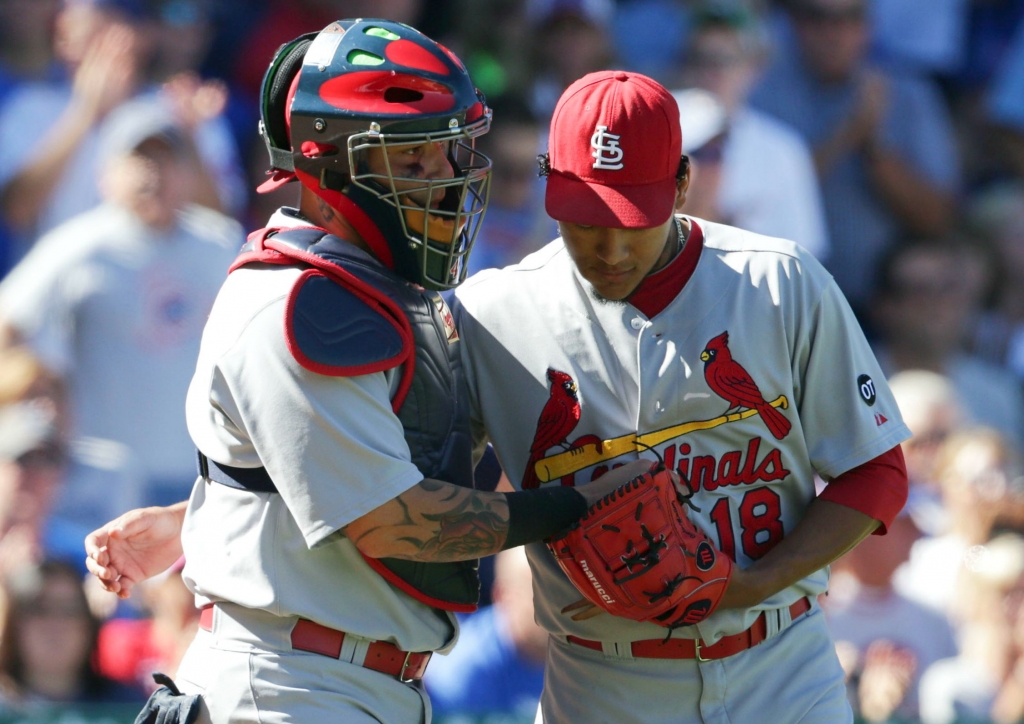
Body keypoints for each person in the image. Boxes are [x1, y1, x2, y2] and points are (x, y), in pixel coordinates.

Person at [88, 67, 911, 724]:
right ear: (548, 183)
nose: (609, 247)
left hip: (782, 665)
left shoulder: (780, 281)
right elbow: (389, 470)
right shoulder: (488, 311)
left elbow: (877, 474)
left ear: (685, 183)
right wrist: (198, 519)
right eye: (587, 218)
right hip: (604, 683)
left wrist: (755, 585)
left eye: (633, 218)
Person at [87, 19, 659, 723]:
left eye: (450, 155)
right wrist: (570, 510)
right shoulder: (295, 302)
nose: (446, 183)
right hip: (290, 689)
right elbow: (394, 523)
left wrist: (199, 518)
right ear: (328, 168)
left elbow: (337, 465)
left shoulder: (385, 293)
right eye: (413, 162)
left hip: (346, 683)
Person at [0, 97, 243, 517]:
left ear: (187, 173)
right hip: (103, 477)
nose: (153, 174)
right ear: (106, 173)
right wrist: (35, 395)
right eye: (139, 160)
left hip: (201, 471)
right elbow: (9, 321)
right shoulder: (80, 245)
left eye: (165, 160)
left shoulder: (220, 244)